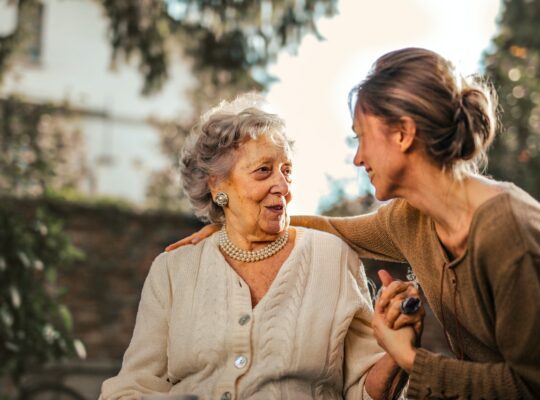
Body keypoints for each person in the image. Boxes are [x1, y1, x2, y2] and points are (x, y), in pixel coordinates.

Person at [167, 48, 540, 399]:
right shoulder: (410, 219)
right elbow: (333, 228)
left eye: (361, 138)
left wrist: (411, 360)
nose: (358, 159)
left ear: (403, 134)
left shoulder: (509, 231)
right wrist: (237, 223)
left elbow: (530, 385)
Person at [101, 95, 421, 399]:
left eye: (287, 171)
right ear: (217, 185)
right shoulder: (173, 270)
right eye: (263, 170)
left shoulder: (333, 258)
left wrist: (397, 353)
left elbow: (365, 391)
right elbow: (135, 384)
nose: (282, 187)